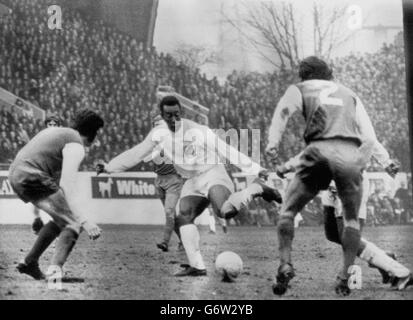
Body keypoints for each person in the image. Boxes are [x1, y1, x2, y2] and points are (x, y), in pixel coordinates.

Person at [265, 56, 411, 296]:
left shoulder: (301, 90)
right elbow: (368, 136)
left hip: (323, 160)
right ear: (329, 73)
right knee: (333, 233)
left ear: (304, 76)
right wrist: (383, 162)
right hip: (347, 162)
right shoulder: (349, 93)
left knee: (301, 216)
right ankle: (370, 264)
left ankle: (395, 268)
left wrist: (273, 146)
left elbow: (289, 121)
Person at [97, 95, 282, 277]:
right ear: (162, 116)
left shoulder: (198, 130)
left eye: (177, 114)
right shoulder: (158, 134)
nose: (173, 119)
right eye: (168, 115)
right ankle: (197, 266)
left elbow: (227, 150)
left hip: (213, 173)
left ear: (182, 112)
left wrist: (256, 169)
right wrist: (109, 167)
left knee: (225, 212)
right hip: (192, 181)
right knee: (182, 217)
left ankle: (257, 188)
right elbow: (136, 154)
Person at [9, 109, 104, 281]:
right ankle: (55, 273)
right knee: (73, 223)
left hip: (17, 175)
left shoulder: (58, 133)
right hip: (32, 175)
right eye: (97, 133)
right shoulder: (75, 144)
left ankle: (30, 262)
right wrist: (84, 220)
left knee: (61, 220)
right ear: (93, 132)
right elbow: (66, 186)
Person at [146, 115, 184, 252]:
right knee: (171, 215)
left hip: (173, 180)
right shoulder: (153, 142)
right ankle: (184, 241)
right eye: (155, 125)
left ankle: (165, 242)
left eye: (160, 125)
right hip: (159, 180)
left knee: (169, 212)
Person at [31, 114, 63, 235]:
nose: (52, 126)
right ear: (46, 125)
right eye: (50, 124)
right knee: (36, 199)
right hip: (42, 170)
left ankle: (57, 225)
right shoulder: (40, 138)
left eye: (55, 124)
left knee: (57, 200)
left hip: (55, 172)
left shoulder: (61, 139)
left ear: (59, 126)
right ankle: (37, 221)